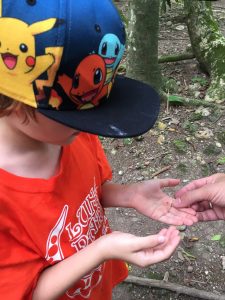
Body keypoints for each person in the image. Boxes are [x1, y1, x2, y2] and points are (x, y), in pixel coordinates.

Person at [0, 0, 197, 299]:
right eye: (78, 114)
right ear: (14, 103)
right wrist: (102, 249)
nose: (93, 125)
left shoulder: (71, 134)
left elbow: (87, 192)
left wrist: (128, 194)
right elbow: (27, 293)